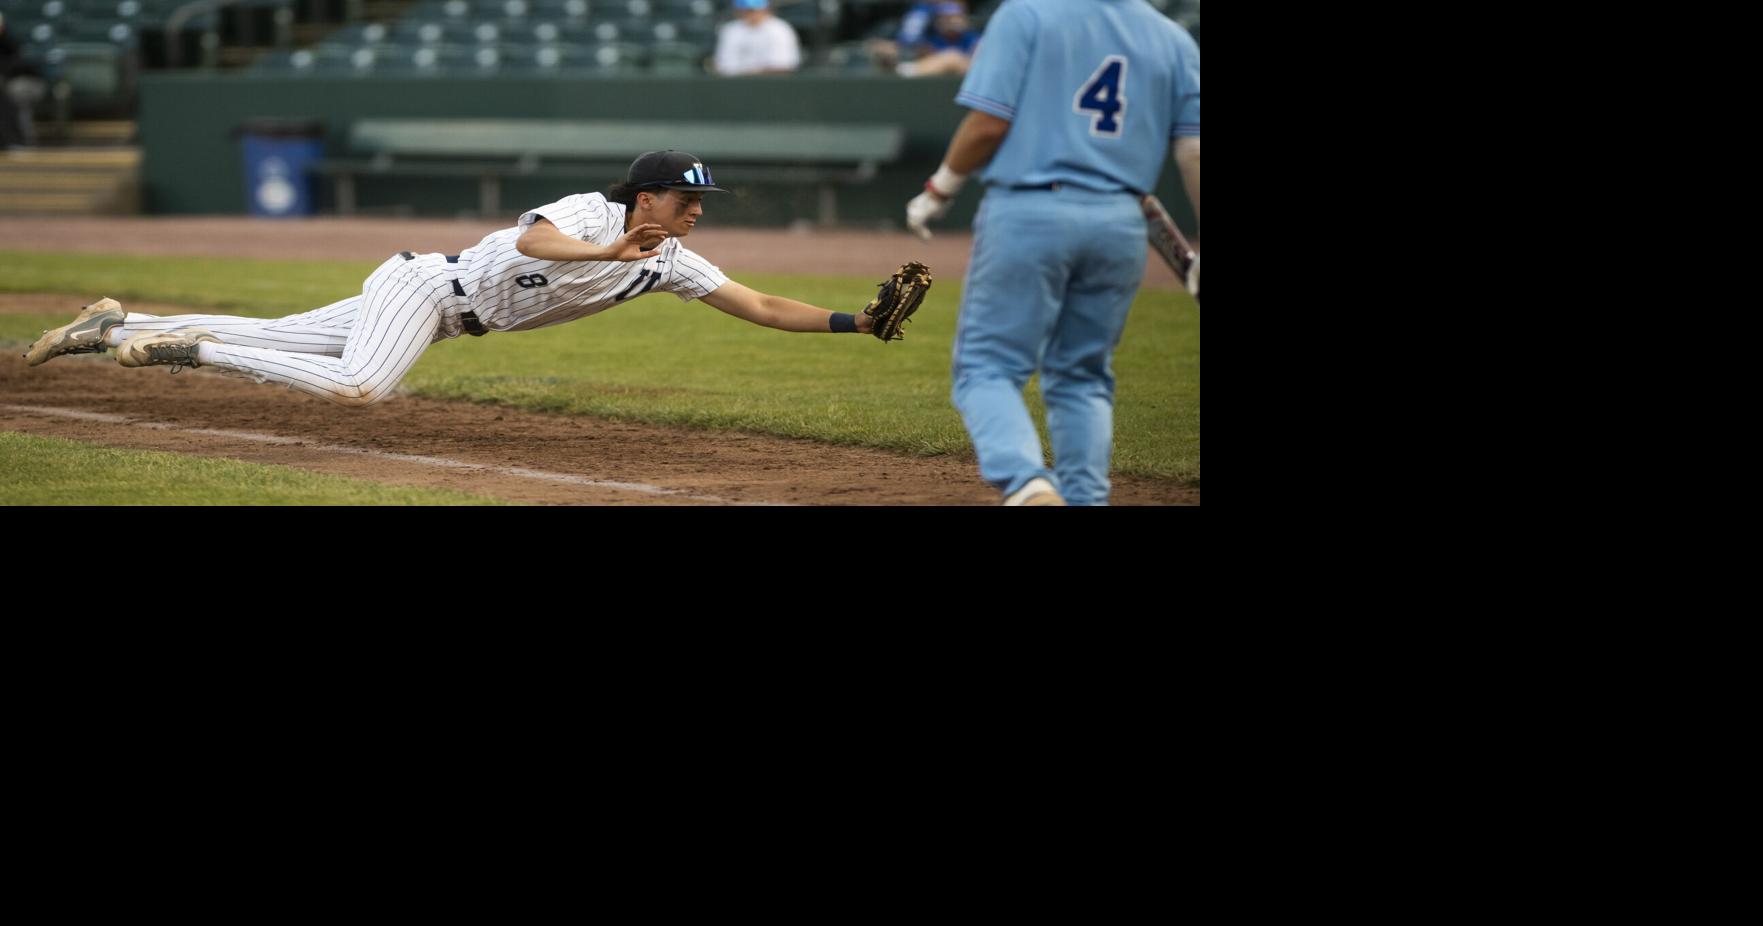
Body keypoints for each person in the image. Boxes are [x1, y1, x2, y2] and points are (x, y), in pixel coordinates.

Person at [25, 150, 883, 405]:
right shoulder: (590, 213)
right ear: (643, 196)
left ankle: (114, 328)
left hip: (443, 315)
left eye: (701, 202)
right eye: (685, 200)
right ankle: (190, 355)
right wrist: (609, 253)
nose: (697, 213)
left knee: (278, 337)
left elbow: (761, 304)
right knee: (361, 387)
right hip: (425, 287)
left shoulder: (668, 262)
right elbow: (536, 247)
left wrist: (857, 322)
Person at [903, 0, 1200, 506]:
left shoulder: (1027, 14)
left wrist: (939, 190)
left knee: (987, 367)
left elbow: (989, 123)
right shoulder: (1172, 37)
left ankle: (1027, 483)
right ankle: (1085, 498)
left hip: (1032, 210)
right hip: (1122, 222)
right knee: (1083, 377)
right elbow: (1193, 151)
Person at [712, 0, 800, 76]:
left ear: (766, 9)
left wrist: (751, 73)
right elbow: (723, 67)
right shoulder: (730, 30)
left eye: (754, 10)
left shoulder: (780, 29)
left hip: (772, 86)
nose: (751, 13)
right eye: (746, 10)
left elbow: (782, 67)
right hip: (736, 85)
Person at [0, 12, 45, 150]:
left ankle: (21, 139)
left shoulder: (9, 42)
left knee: (15, 93)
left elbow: (19, 66)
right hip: (7, 82)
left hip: (26, 81)